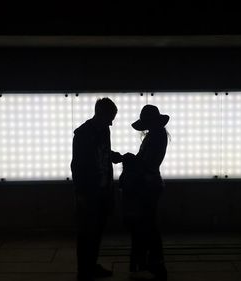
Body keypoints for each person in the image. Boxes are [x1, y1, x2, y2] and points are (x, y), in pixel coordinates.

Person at [71, 97, 123, 281]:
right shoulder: (82, 134)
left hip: (102, 191)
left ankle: (90, 266)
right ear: (99, 113)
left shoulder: (102, 131)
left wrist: (115, 156)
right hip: (89, 193)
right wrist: (81, 193)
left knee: (96, 232)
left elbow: (103, 153)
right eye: (110, 118)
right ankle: (84, 271)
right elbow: (77, 166)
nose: (111, 122)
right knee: (86, 234)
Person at [120, 104, 169, 281]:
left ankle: (153, 263)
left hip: (147, 186)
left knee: (147, 225)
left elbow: (146, 163)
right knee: (147, 224)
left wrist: (129, 159)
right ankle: (151, 262)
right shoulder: (158, 135)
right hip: (151, 184)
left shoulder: (154, 137)